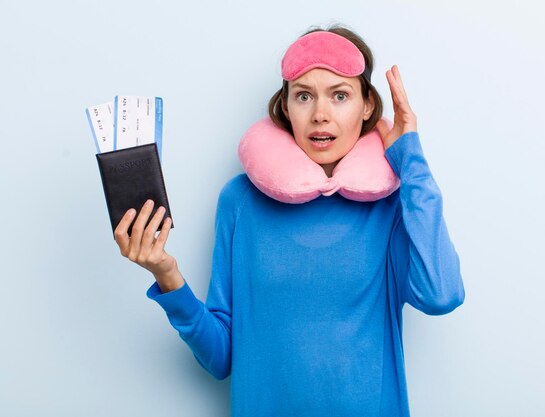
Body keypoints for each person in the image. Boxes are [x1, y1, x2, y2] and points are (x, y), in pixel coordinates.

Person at [113, 25, 465, 417]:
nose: (320, 115)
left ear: (367, 106)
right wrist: (168, 275)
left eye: (340, 95)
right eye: (303, 96)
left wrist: (410, 158)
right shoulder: (240, 201)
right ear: (285, 107)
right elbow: (220, 358)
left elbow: (441, 294)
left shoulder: (392, 203)